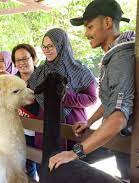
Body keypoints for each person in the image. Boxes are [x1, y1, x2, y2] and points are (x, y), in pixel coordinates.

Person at [48, 0, 135, 181]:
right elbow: (112, 100)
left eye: (89, 26)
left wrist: (75, 153)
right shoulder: (113, 56)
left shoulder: (121, 58)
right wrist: (90, 121)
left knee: (63, 165)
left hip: (127, 142)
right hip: (117, 140)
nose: (86, 33)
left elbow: (119, 117)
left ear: (108, 23)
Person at [28, 28, 97, 151]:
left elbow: (92, 99)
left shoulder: (80, 70)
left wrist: (64, 97)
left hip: (72, 127)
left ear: (61, 45)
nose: (46, 50)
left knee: (74, 165)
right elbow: (32, 94)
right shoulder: (39, 72)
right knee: (45, 164)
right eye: (44, 47)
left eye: (50, 46)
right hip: (46, 127)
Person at [11, 43, 41, 181]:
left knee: (43, 169)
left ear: (33, 58)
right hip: (20, 133)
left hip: (41, 134)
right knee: (25, 170)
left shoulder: (43, 78)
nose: (22, 63)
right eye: (18, 60)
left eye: (25, 58)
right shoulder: (11, 82)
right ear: (14, 63)